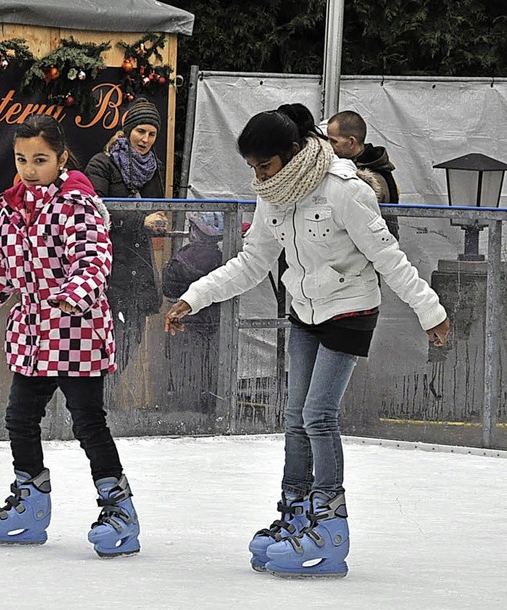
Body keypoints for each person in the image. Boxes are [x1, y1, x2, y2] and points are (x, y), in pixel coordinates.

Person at [164, 107, 450, 578]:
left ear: (293, 151)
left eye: (265, 165)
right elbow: (251, 263)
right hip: (305, 310)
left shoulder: (345, 190)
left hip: (352, 309)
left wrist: (430, 310)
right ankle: (297, 510)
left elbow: (388, 255)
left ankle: (332, 523)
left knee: (318, 414)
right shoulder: (273, 195)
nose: (258, 176)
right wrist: (193, 298)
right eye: (252, 167)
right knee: (295, 415)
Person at [0, 114, 140, 558]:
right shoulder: (14, 208)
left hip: (76, 330)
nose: (29, 169)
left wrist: (73, 295)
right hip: (32, 335)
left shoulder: (76, 203)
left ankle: (119, 508)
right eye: (21, 159)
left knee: (88, 421)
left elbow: (93, 258)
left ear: (61, 158)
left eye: (40, 159)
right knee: (19, 418)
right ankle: (30, 504)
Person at [84, 97, 167, 376]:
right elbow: (94, 209)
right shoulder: (102, 163)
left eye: (152, 133)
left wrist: (158, 221)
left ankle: (108, 404)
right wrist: (140, 220)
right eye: (140, 131)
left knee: (130, 341)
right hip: (105, 264)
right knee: (101, 344)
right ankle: (92, 407)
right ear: (128, 130)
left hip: (138, 265)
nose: (145, 139)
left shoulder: (154, 167)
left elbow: (157, 207)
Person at [161, 212, 224, 413]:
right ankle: (206, 412)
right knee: (208, 374)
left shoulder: (184, 258)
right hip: (212, 324)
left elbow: (169, 287)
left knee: (185, 375)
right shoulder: (222, 257)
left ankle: (187, 414)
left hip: (187, 325)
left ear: (194, 232)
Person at [326, 110, 401, 239]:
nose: (328, 145)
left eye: (334, 141)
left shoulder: (374, 178)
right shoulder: (374, 167)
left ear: (351, 142)